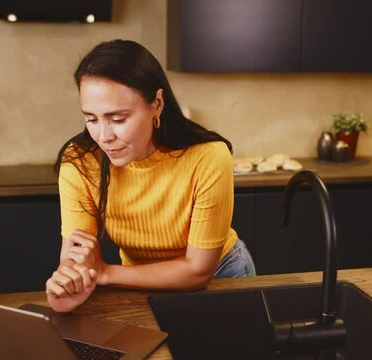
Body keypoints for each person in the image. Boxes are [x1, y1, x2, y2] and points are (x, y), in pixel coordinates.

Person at [46, 39, 255, 313]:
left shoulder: (208, 157)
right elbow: (76, 256)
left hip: (221, 277)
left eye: (118, 119)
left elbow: (198, 271)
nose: (104, 137)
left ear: (156, 104)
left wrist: (105, 273)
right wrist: (70, 282)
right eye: (92, 119)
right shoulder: (80, 162)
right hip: (136, 281)